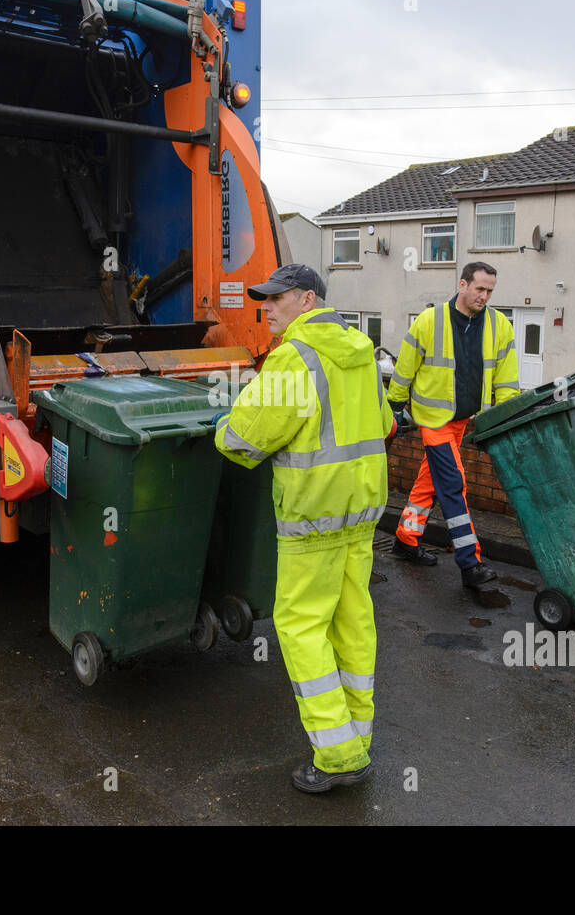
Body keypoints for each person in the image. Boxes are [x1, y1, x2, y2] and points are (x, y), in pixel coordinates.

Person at [213, 263, 392, 794]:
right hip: (360, 515)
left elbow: (244, 441)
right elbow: (383, 425)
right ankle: (357, 737)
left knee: (301, 628)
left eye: (276, 298)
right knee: (352, 624)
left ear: (307, 299)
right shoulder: (360, 350)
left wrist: (224, 423)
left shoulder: (294, 357)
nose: (265, 308)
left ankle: (338, 758)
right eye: (262, 299)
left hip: (313, 519)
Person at [386, 261, 519, 605]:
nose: (484, 296)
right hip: (432, 419)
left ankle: (406, 538)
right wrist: (395, 406)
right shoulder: (430, 321)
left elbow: (506, 378)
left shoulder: (499, 325)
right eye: (479, 289)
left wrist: (506, 414)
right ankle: (469, 562)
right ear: (462, 285)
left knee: (428, 483)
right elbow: (405, 368)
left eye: (490, 290)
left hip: (462, 420)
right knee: (452, 483)